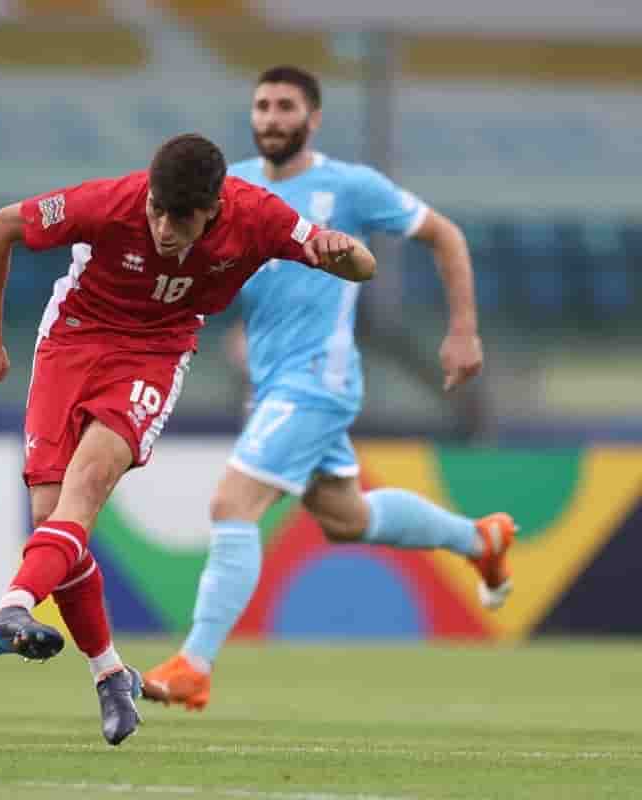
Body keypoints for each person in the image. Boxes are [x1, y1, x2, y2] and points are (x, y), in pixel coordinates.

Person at [0, 132, 376, 745]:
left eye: (179, 218)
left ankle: (13, 604)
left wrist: (343, 251)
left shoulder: (258, 216)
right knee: (53, 520)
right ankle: (110, 675)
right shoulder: (112, 202)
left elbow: (361, 267)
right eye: (156, 210)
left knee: (84, 491)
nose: (161, 228)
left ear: (213, 210)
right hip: (72, 340)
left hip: (152, 357)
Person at [141, 66, 516, 713]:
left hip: (319, 378)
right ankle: (480, 540)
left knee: (233, 504)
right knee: (348, 518)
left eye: (285, 106)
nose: (271, 118)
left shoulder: (349, 186)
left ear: (313, 118)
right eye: (262, 106)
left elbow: (445, 235)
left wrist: (462, 332)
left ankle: (195, 665)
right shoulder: (229, 188)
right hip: (272, 383)